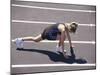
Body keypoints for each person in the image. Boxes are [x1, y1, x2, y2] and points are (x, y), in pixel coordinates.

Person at [13, 22, 78, 57]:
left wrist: (71, 44)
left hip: (47, 30)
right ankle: (58, 48)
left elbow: (68, 36)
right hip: (49, 34)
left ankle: (19, 40)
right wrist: (63, 53)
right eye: (70, 31)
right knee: (63, 37)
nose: (70, 33)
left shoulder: (66, 25)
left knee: (36, 39)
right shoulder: (63, 29)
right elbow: (63, 40)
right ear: (70, 29)